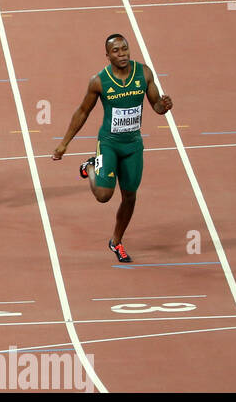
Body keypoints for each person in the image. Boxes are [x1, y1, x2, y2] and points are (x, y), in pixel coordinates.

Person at [51, 34, 173, 262]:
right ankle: (90, 165)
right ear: (107, 56)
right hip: (109, 143)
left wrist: (163, 106)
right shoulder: (99, 81)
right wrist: (64, 143)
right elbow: (82, 112)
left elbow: (156, 105)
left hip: (133, 146)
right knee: (104, 195)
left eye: (125, 49)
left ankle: (116, 242)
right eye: (116, 51)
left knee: (129, 197)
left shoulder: (144, 73)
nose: (122, 54)